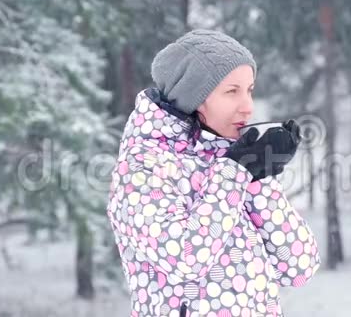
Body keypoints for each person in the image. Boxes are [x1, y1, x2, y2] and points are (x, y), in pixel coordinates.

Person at [106, 29, 321, 317]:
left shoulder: (232, 161)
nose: (248, 106)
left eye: (250, 90)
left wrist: (259, 178)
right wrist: (236, 172)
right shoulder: (142, 167)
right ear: (192, 96)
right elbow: (186, 259)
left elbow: (298, 266)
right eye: (232, 91)